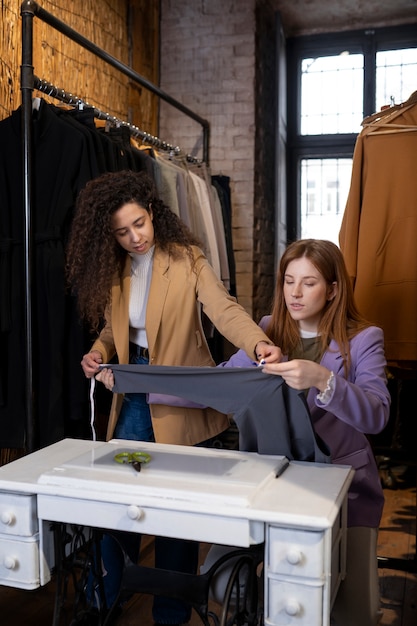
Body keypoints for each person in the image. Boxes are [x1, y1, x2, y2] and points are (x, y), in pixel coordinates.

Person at [65, 169, 281, 624]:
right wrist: (97, 352)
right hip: (131, 392)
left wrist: (257, 344)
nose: (134, 237)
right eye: (122, 231)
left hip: (179, 395)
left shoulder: (188, 259)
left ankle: (170, 613)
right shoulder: (115, 269)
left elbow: (224, 310)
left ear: (153, 212)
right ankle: (105, 597)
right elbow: (113, 330)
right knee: (119, 504)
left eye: (139, 223)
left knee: (174, 511)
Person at [218, 239, 390, 626]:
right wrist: (135, 381)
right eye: (288, 280)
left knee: (354, 611)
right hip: (270, 483)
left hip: (345, 490)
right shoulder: (265, 331)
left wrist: (323, 379)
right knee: (224, 579)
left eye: (308, 283)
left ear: (332, 289)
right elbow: (222, 382)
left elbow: (377, 415)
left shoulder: (364, 339)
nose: (294, 293)